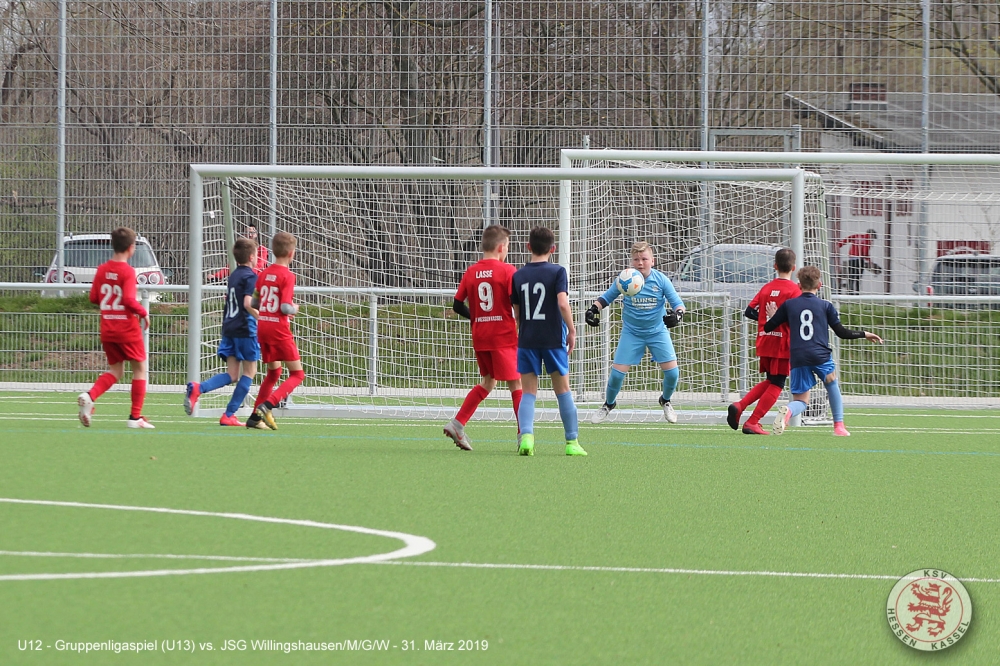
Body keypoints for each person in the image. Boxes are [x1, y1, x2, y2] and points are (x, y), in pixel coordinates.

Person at [764, 266, 883, 437]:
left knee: (801, 400)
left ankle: (788, 411)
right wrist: (864, 334)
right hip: (820, 355)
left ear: (799, 285)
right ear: (819, 285)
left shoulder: (789, 305)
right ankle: (839, 426)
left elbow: (768, 327)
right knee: (831, 382)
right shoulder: (825, 305)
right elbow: (841, 333)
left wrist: (773, 316)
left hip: (798, 356)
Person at [586, 241, 686, 424]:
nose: (640, 263)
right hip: (632, 333)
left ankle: (665, 400)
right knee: (616, 375)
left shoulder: (661, 280)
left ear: (652, 261)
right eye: (636, 259)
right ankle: (608, 404)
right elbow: (607, 297)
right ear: (631, 261)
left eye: (644, 259)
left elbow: (678, 304)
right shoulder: (625, 278)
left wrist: (677, 316)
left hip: (657, 332)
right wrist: (593, 309)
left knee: (673, 374)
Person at [443, 224, 522, 451]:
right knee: (516, 384)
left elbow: (457, 305)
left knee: (488, 382)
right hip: (503, 336)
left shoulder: (471, 271)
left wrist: (477, 317)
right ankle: (524, 433)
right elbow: (516, 302)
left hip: (481, 336)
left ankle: (457, 424)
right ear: (501, 247)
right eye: (508, 246)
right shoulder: (508, 271)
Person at [511, 226, 585, 457]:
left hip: (528, 338)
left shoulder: (518, 276)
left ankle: (527, 438)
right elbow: (562, 303)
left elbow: (517, 313)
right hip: (553, 338)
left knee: (528, 392)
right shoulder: (558, 272)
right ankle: (572, 442)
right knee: (563, 391)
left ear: (528, 247)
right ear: (553, 249)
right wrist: (572, 330)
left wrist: (521, 331)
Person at [77, 227, 154, 429]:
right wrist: (143, 312)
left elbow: (94, 297)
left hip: (108, 328)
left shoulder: (102, 269)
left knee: (115, 370)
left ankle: (90, 396)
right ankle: (135, 417)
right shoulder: (127, 271)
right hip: (127, 328)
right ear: (131, 248)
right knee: (139, 369)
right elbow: (128, 299)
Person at [184, 237, 261, 426]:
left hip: (229, 327)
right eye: (257, 254)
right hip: (245, 329)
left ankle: (198, 388)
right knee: (249, 371)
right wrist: (262, 318)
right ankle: (229, 414)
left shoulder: (233, 275)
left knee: (233, 374)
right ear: (252, 257)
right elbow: (247, 303)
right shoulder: (251, 277)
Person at [728, 248, 800, 435]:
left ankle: (740, 405)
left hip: (765, 339)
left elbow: (749, 311)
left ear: (775, 266)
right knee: (778, 383)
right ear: (794, 267)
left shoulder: (766, 288)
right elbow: (796, 317)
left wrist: (765, 320)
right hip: (782, 342)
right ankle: (753, 421)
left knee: (771, 380)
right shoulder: (794, 290)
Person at [245, 231, 305, 430]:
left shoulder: (263, 273)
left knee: (274, 372)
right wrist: (294, 308)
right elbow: (286, 307)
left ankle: (254, 417)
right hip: (279, 329)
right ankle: (268, 404)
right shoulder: (287, 275)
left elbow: (255, 302)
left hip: (263, 326)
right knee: (297, 374)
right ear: (291, 253)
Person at [837, 229, 881, 294]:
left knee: (851, 277)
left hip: (851, 259)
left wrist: (840, 244)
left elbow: (848, 238)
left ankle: (850, 293)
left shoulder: (858, 236)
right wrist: (869, 261)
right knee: (857, 278)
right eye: (873, 238)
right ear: (871, 235)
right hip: (859, 261)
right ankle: (857, 293)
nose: (872, 240)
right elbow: (865, 252)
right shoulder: (867, 241)